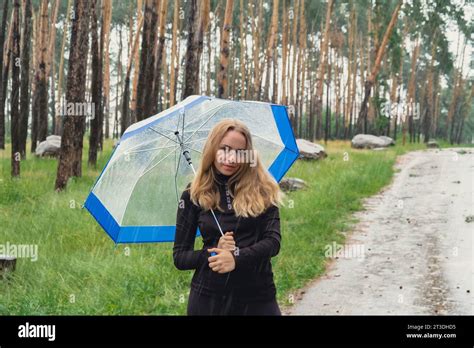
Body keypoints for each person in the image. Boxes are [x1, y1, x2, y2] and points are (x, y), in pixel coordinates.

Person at [173, 118, 284, 315]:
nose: (231, 158)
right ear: (212, 149)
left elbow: (273, 242)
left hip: (257, 298)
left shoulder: (264, 190)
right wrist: (212, 252)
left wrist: (237, 257)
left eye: (239, 152)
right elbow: (180, 257)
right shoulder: (193, 195)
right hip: (208, 300)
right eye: (224, 149)